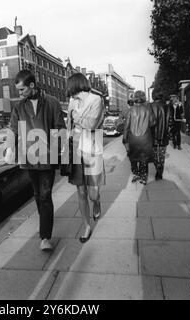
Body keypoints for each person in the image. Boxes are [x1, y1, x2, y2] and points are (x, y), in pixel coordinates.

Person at [9, 70, 66, 251]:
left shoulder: (52, 102)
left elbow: (60, 128)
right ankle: (45, 221)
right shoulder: (18, 107)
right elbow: (13, 130)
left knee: (45, 194)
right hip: (28, 157)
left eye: (21, 89)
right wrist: (10, 149)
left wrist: (63, 150)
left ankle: (45, 237)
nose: (19, 93)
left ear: (32, 85)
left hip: (48, 157)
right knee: (36, 194)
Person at [66, 73, 105, 244]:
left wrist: (77, 119)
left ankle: (97, 203)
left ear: (75, 85)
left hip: (92, 149)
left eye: (69, 88)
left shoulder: (96, 100)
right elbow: (69, 124)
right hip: (75, 149)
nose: (69, 94)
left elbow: (91, 125)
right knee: (80, 191)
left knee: (93, 193)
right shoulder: (72, 102)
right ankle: (86, 226)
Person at [123, 91, 156, 185]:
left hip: (132, 139)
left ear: (134, 98)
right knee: (144, 158)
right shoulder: (148, 109)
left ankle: (136, 174)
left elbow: (126, 127)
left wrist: (124, 139)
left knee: (133, 158)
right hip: (145, 138)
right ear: (143, 98)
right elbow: (153, 122)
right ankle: (143, 177)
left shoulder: (130, 110)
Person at [151, 93, 171, 180]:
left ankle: (157, 166)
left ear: (153, 97)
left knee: (155, 155)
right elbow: (170, 121)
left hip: (152, 136)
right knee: (162, 155)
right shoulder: (166, 107)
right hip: (164, 136)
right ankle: (160, 172)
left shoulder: (149, 107)